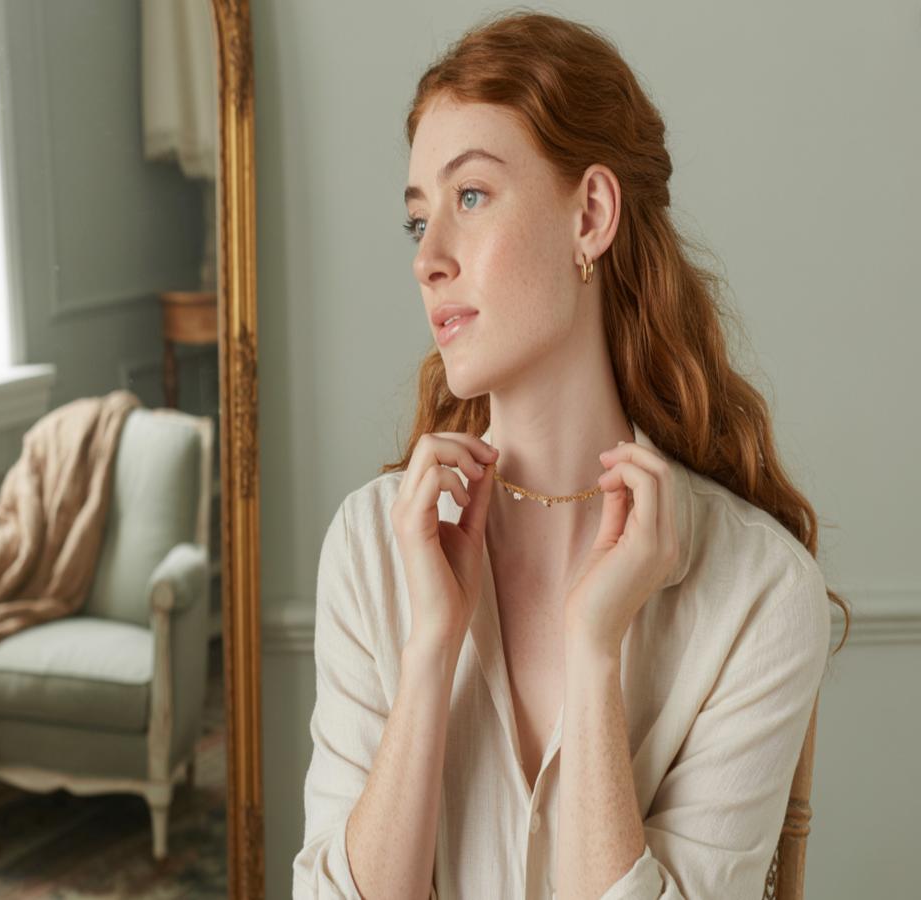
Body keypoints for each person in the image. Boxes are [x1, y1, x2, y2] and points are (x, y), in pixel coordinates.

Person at [291, 9, 851, 900]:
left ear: (590, 214)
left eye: (470, 197)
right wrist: (431, 647)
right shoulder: (370, 547)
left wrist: (596, 655)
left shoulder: (758, 594)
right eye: (416, 220)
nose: (428, 259)